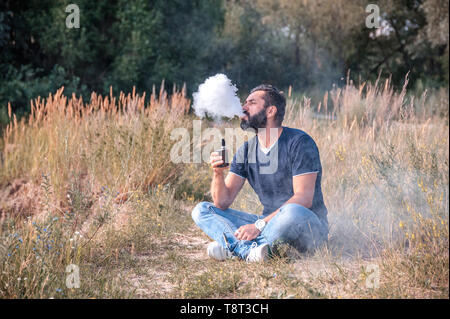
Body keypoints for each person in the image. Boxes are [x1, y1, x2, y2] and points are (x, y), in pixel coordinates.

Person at [192, 84, 328, 262]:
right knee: (201, 210)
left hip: (306, 226)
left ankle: (232, 247)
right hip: (267, 224)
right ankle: (247, 249)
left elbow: (304, 199)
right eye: (244, 102)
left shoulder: (299, 142)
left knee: (292, 211)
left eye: (252, 102)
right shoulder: (246, 150)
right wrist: (217, 173)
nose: (243, 107)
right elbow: (222, 202)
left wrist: (258, 226)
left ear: (270, 111)